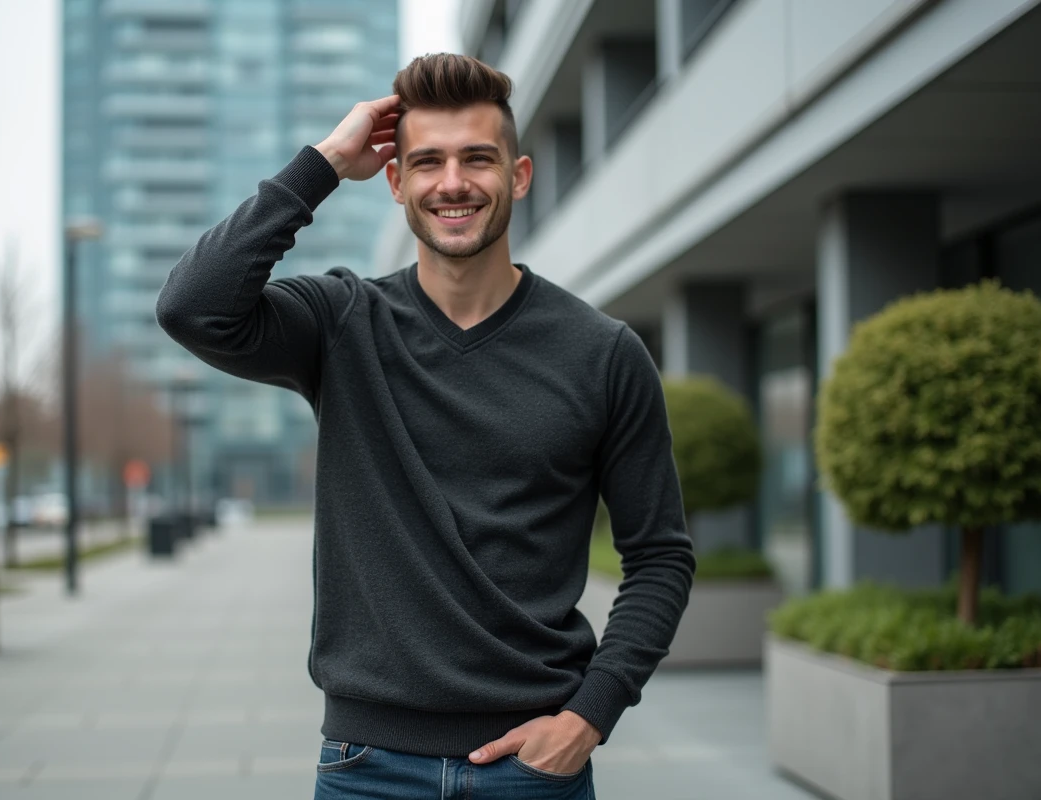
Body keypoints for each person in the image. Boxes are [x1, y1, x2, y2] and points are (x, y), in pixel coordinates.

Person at [156, 53, 695, 800]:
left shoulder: (602, 353)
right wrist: (320, 165)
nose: (452, 183)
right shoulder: (342, 322)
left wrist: (589, 717)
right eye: (428, 161)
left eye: (478, 158)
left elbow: (660, 557)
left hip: (533, 770)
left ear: (520, 175)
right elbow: (193, 306)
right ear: (395, 181)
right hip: (365, 766)